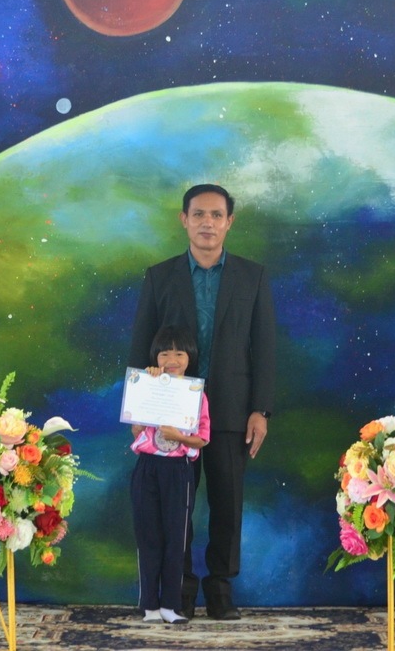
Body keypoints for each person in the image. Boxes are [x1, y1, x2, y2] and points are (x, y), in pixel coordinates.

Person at [128, 184, 277, 620]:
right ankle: (180, 590)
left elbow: (265, 347)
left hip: (232, 410)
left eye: (216, 215)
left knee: (227, 505)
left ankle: (220, 589)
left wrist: (260, 409)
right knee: (176, 507)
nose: (207, 223)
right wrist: (138, 411)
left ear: (229, 222)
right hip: (170, 416)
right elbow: (140, 345)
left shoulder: (252, 277)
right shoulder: (160, 276)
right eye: (198, 214)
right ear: (184, 220)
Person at [130, 326, 211, 625]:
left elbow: (202, 439)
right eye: (165, 354)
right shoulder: (147, 383)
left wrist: (179, 436)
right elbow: (136, 429)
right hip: (147, 468)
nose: (172, 360)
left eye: (179, 353)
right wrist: (146, 387)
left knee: (176, 539)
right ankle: (149, 605)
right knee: (148, 536)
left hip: (178, 471)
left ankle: (171, 605)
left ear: (190, 357)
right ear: (156, 357)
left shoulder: (196, 394)